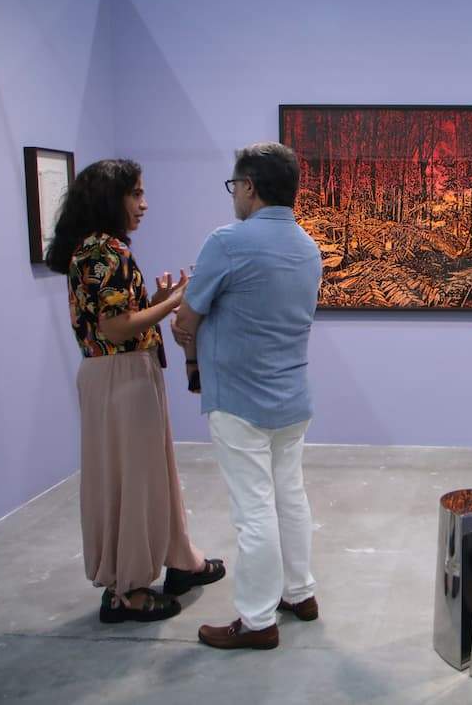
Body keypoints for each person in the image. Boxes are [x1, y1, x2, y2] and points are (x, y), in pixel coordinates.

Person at [45, 159, 224, 623]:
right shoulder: (105, 252)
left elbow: (113, 317)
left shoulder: (96, 249)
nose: (144, 205)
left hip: (120, 374)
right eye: (136, 194)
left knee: (149, 472)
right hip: (120, 376)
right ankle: (127, 589)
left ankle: (179, 559)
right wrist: (172, 303)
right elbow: (116, 327)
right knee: (132, 480)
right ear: (112, 198)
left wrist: (155, 300)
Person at [172, 142, 322, 650]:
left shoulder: (227, 242)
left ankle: (258, 621)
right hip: (292, 396)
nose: (234, 194)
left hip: (239, 399)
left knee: (254, 510)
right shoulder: (308, 246)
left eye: (235, 185)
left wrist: (188, 345)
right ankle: (300, 593)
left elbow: (187, 318)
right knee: (290, 497)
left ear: (250, 187)